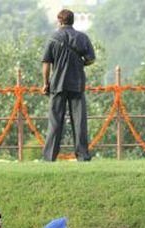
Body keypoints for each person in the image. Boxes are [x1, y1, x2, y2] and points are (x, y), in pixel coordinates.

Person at [41, 8, 96, 162]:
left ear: (59, 21)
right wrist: (81, 63)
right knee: (79, 123)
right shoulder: (82, 37)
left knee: (55, 122)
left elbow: (46, 63)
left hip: (58, 84)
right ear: (72, 21)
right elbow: (91, 59)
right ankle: (83, 156)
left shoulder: (53, 38)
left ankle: (50, 156)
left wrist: (46, 83)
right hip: (77, 84)